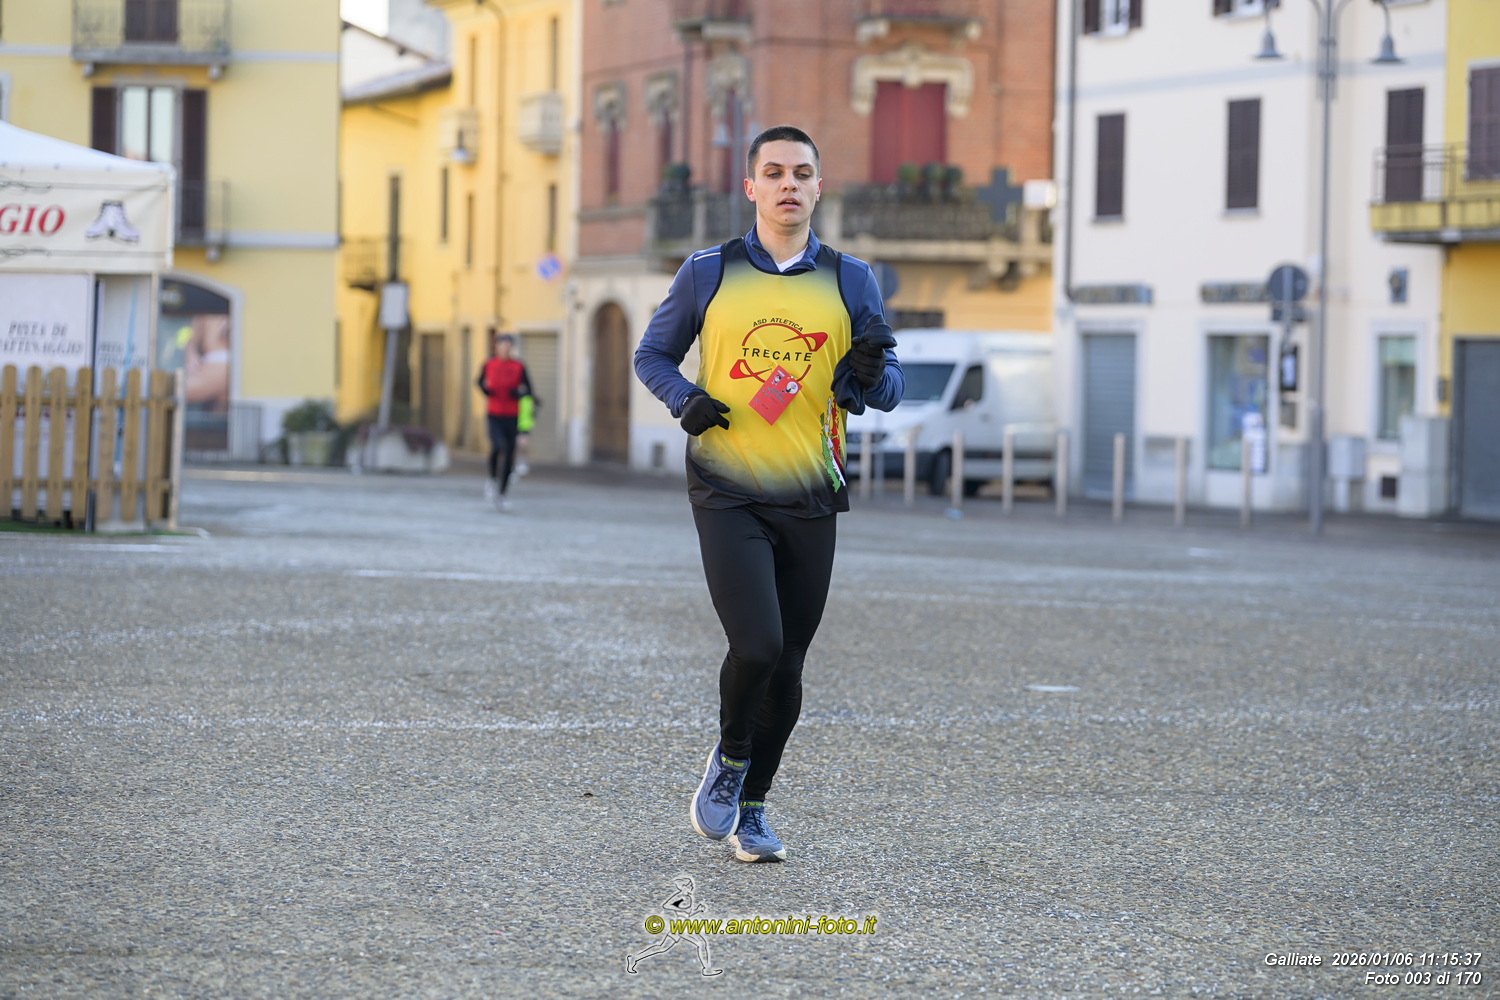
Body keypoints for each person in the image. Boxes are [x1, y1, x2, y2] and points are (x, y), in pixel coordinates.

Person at [634, 125, 903, 863]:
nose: (790, 184)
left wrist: (870, 377)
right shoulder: (707, 271)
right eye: (775, 172)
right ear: (751, 186)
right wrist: (684, 398)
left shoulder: (852, 279)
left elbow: (888, 386)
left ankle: (753, 810)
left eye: (802, 173)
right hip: (726, 487)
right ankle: (729, 757)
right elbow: (652, 354)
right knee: (757, 644)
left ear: (819, 188)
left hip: (813, 489)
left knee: (789, 664)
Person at [477, 332, 532, 510]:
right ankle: (492, 478)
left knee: (509, 454)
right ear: (497, 346)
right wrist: (486, 390)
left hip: (512, 415)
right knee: (496, 446)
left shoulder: (518, 366)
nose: (505, 348)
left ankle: (502, 493)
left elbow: (528, 390)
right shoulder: (489, 364)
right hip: (494, 413)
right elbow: (479, 382)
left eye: (508, 346)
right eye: (502, 345)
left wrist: (518, 393)